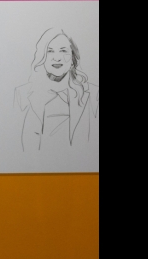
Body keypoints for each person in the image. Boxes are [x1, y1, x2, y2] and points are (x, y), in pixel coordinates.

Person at [13, 28, 98, 160]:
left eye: (63, 51)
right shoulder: (22, 94)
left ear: (73, 58)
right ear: (42, 57)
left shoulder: (93, 95)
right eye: (50, 51)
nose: (57, 57)